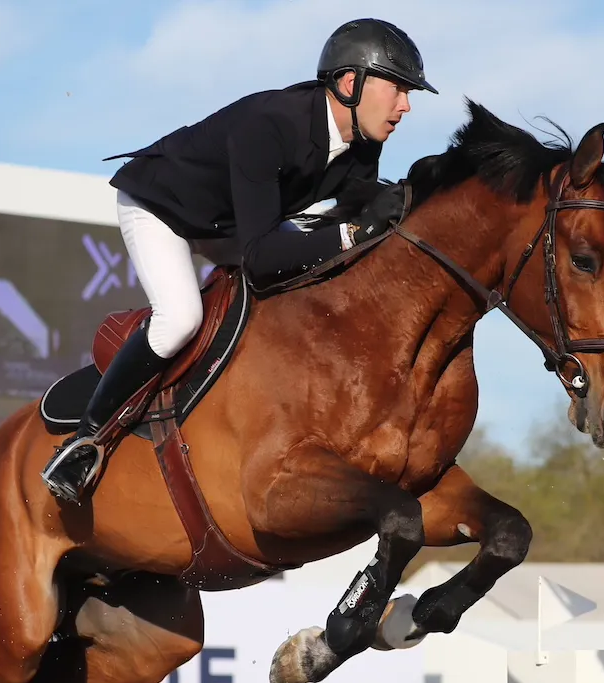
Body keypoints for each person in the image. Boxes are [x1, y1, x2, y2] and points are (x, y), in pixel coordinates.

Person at [40, 18, 438, 504]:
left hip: (230, 222)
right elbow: (260, 257)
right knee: (180, 319)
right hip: (163, 209)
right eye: (397, 88)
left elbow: (354, 204)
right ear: (351, 83)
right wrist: (355, 230)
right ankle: (85, 442)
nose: (406, 105)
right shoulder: (272, 124)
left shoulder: (362, 143)